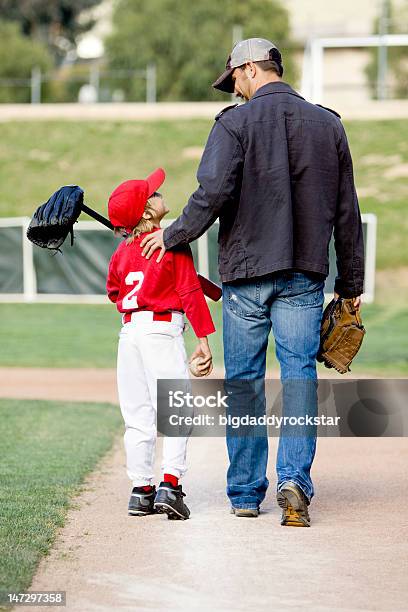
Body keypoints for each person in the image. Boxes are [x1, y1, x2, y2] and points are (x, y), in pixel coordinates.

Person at [139, 39, 364, 526]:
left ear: (249, 70)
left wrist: (173, 235)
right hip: (304, 272)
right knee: (300, 375)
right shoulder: (329, 125)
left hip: (245, 275)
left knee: (244, 384)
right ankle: (294, 482)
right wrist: (351, 284)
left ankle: (245, 493)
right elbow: (348, 212)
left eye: (235, 80)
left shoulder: (233, 123)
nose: (235, 90)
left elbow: (213, 191)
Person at [106, 168, 215, 520]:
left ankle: (141, 491)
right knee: (177, 410)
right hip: (161, 332)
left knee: (137, 416)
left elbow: (114, 292)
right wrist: (204, 342)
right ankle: (171, 485)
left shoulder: (122, 252)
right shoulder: (173, 241)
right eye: (153, 194)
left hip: (129, 335)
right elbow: (188, 292)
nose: (159, 193)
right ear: (149, 213)